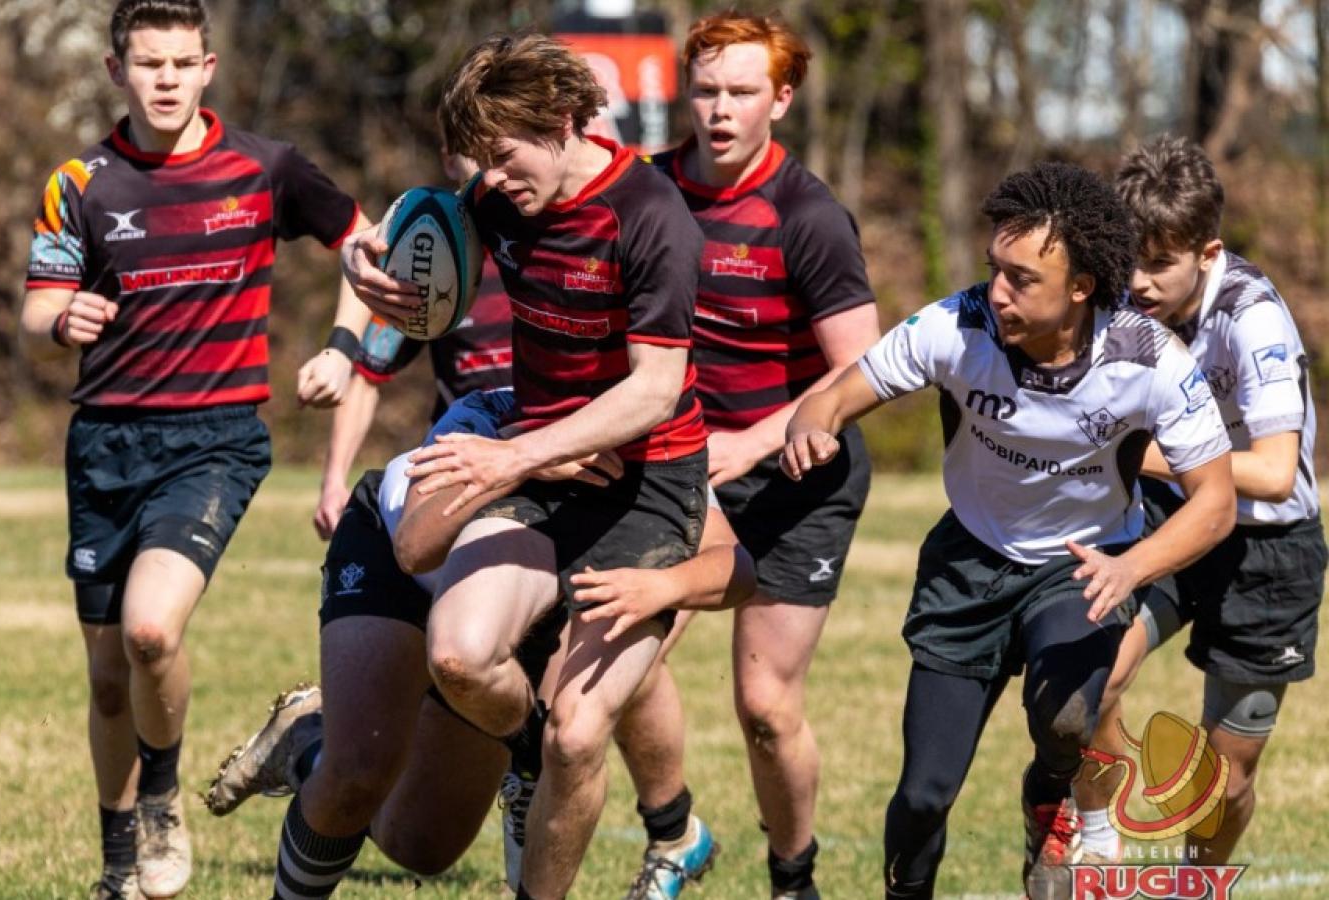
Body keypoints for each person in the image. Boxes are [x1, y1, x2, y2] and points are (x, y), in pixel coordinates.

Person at [782, 162, 1236, 900]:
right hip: (969, 560)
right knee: (926, 793)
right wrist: (815, 424)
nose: (997, 291)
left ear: (1081, 287)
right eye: (995, 269)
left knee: (1067, 718)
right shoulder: (955, 327)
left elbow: (1213, 502)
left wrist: (1134, 567)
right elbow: (835, 396)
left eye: (1022, 279)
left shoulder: (1149, 359)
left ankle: (1049, 799)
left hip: (1083, 563)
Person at [342, 34, 710, 900]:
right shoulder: (503, 197)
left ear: (567, 120)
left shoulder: (651, 217)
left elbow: (655, 391)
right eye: (481, 163)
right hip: (545, 468)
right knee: (464, 659)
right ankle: (524, 752)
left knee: (581, 738)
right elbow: (415, 223)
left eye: (506, 157)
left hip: (647, 490)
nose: (495, 181)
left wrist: (512, 456)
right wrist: (372, 268)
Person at [17, 2, 373, 896]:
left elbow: (366, 246)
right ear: (116, 72)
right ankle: (116, 868)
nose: (166, 80)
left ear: (209, 67)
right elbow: (34, 306)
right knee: (106, 680)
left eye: (182, 63)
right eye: (149, 64)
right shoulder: (80, 182)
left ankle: (163, 801)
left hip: (213, 440)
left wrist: (341, 345)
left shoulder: (265, 168)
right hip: (104, 442)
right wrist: (65, 317)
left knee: (148, 631)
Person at [203, 388, 753, 900]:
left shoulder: (654, 445)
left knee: (421, 847)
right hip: (393, 560)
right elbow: (415, 545)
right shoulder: (488, 410)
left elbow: (732, 563)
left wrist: (661, 587)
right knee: (357, 774)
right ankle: (351, 753)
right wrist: (521, 457)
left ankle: (305, 745)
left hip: (500, 635)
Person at [647, 13, 879, 897]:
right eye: (706, 89)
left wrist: (749, 441)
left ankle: (793, 877)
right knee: (613, 665)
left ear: (780, 99)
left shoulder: (806, 216)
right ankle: (676, 834)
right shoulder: (649, 190)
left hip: (795, 480)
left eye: (742, 92)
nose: (720, 109)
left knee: (766, 710)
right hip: (678, 470)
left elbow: (865, 370)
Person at [1072, 135, 1325, 867]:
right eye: (1131, 260)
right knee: (1087, 680)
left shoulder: (1254, 319)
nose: (1140, 283)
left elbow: (1278, 472)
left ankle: (1196, 882)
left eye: (1159, 264)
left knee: (1224, 779)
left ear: (1208, 253)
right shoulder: (1121, 301)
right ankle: (1097, 839)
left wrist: (1142, 454)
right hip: (1171, 520)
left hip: (1267, 553)